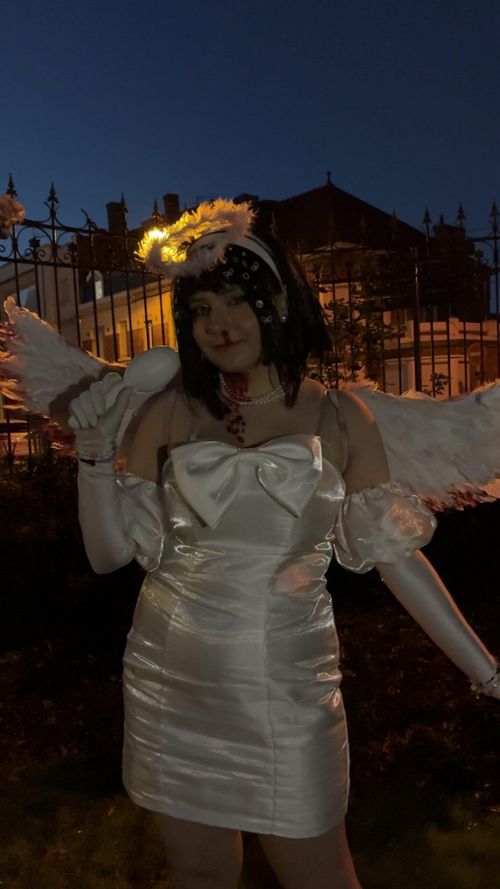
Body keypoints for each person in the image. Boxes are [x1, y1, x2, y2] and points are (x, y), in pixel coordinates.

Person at [62, 202, 499, 889]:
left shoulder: (339, 416)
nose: (219, 323)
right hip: (170, 683)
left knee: (324, 877)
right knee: (200, 873)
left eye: (238, 300)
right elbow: (109, 556)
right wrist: (93, 458)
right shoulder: (168, 410)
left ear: (281, 302)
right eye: (201, 308)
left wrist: (489, 673)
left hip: (288, 691)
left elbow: (396, 557)